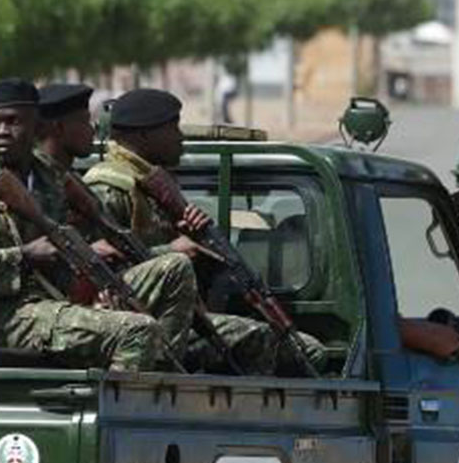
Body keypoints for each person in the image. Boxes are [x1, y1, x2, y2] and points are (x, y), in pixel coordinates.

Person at [0, 78, 193, 371]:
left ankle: (162, 378)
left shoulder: (49, 179)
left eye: (13, 122)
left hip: (50, 301)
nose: (2, 131)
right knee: (137, 331)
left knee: (175, 267)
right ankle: (104, 411)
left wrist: (95, 289)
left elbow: (69, 252)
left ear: (35, 126)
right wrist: (23, 257)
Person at [83, 88, 326, 375]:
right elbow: (95, 267)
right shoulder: (110, 187)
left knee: (305, 349)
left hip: (171, 313)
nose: (180, 136)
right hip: (130, 320)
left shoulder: (151, 183)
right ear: (143, 135)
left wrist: (195, 238)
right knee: (267, 341)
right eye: (171, 127)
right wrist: (171, 251)